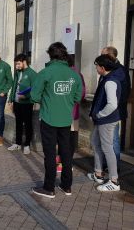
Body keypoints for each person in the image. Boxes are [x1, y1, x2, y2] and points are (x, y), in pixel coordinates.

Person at [31, 42, 82, 198]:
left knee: (50, 153)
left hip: (48, 118)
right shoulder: (74, 74)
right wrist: (65, 103)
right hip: (66, 119)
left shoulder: (46, 72)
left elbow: (34, 95)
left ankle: (49, 188)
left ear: (50, 55)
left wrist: (47, 100)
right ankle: (66, 186)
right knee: (66, 151)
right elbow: (78, 96)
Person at [87, 54, 122, 192]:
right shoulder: (106, 79)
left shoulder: (110, 81)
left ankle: (114, 181)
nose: (95, 68)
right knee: (95, 142)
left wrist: (100, 114)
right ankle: (98, 173)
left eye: (96, 66)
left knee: (107, 148)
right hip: (102, 120)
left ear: (102, 67)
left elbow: (112, 104)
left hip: (106, 121)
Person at [101, 46, 130, 167]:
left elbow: (124, 93)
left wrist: (110, 109)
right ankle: (106, 166)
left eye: (103, 54)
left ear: (110, 56)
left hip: (114, 112)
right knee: (105, 141)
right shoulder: (108, 68)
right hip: (106, 111)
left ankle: (114, 169)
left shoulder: (120, 71)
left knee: (113, 140)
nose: (101, 56)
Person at [56, 55, 86, 173]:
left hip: (68, 113)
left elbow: (81, 94)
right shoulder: (75, 74)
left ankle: (65, 163)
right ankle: (62, 161)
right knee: (66, 138)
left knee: (67, 139)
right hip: (69, 112)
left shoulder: (74, 75)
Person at [7, 53, 37, 154]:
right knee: (18, 123)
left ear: (24, 62)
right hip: (16, 103)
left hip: (27, 104)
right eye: (16, 64)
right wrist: (11, 100)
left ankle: (27, 145)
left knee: (28, 124)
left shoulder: (32, 74)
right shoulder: (17, 72)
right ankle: (17, 144)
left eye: (18, 64)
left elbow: (35, 90)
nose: (17, 66)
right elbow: (14, 86)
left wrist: (26, 96)